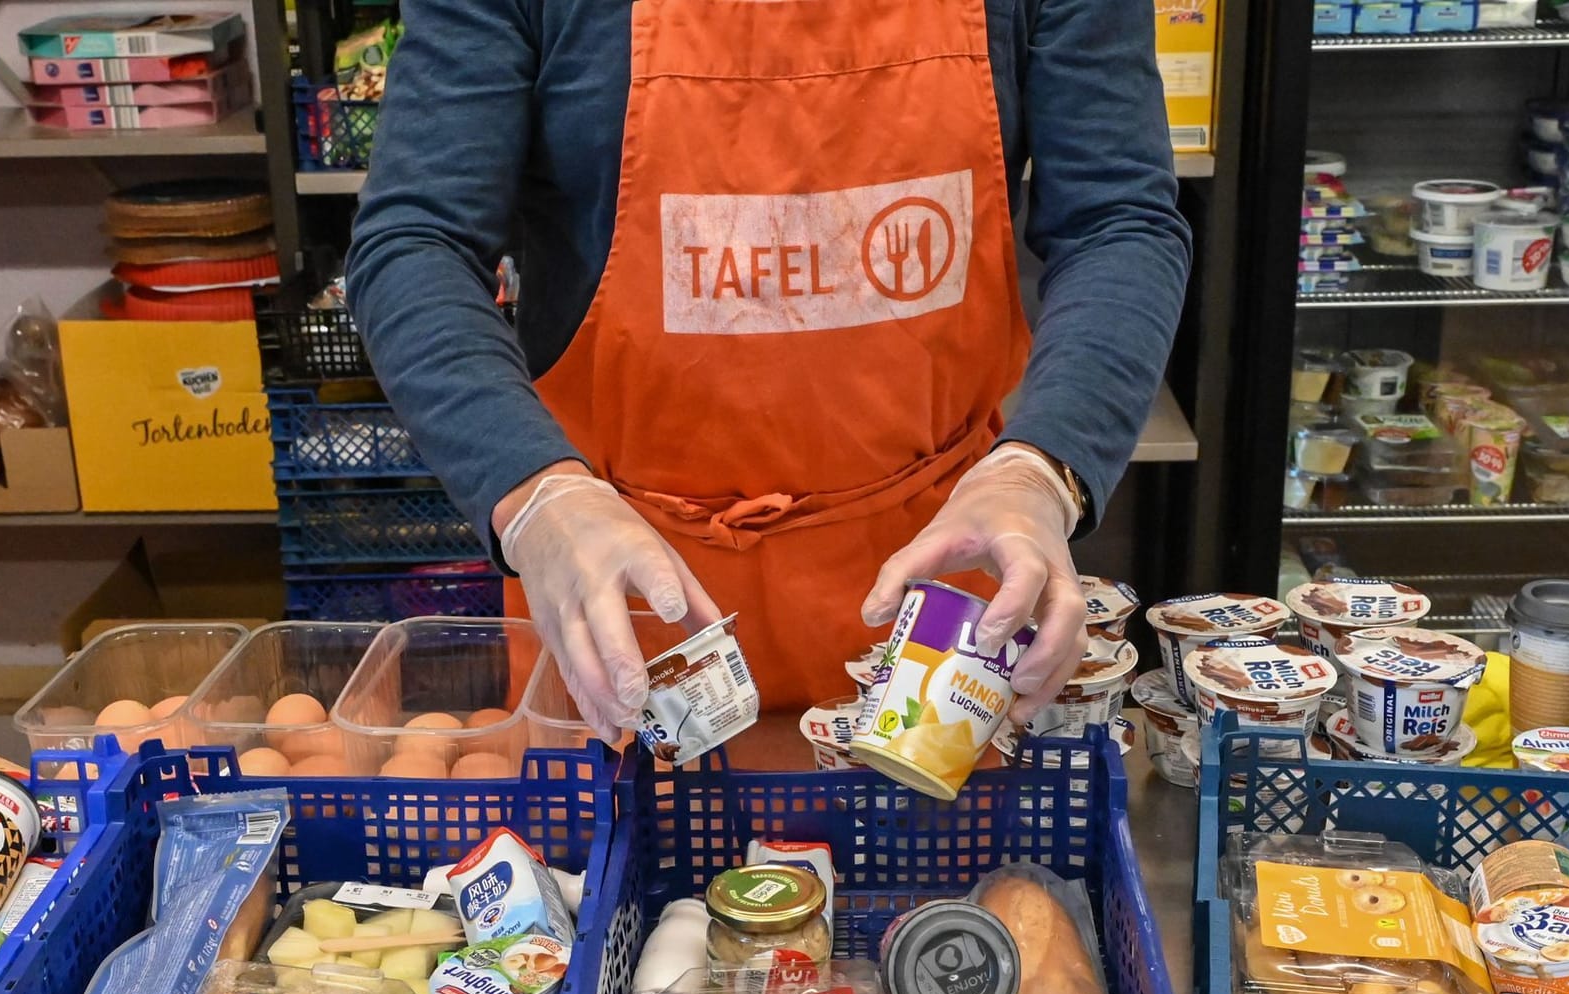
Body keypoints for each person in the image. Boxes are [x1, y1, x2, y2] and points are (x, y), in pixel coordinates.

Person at [348, 0, 1191, 738]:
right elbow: (417, 241)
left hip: (935, 591)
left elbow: (1117, 218)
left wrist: (1044, 470)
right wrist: (536, 493)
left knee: (941, 906)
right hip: (624, 586)